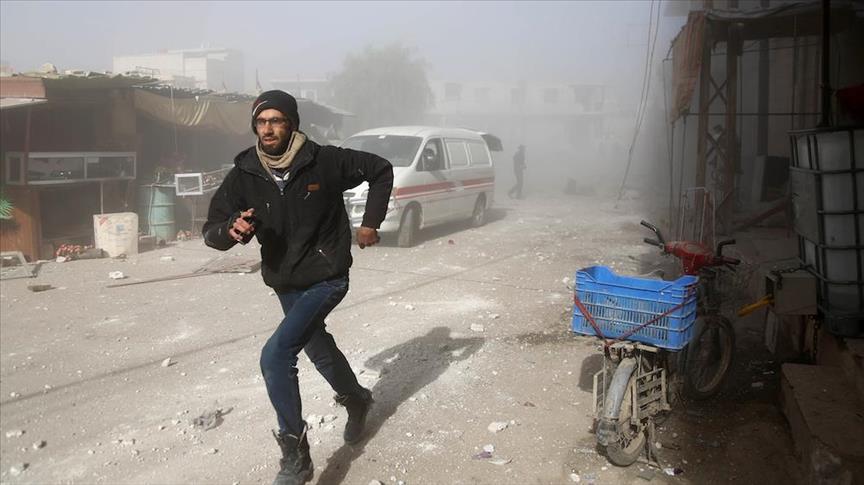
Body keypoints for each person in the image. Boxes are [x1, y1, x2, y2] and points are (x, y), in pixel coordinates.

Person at [202, 90, 393, 485]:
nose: (268, 129)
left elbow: (381, 169)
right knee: (317, 347)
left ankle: (296, 455)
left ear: (291, 124)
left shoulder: (325, 161)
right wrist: (231, 230)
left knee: (275, 356)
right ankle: (357, 399)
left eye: (276, 120)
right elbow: (212, 230)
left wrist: (370, 223)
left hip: (327, 276)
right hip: (285, 282)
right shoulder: (245, 172)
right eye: (261, 122)